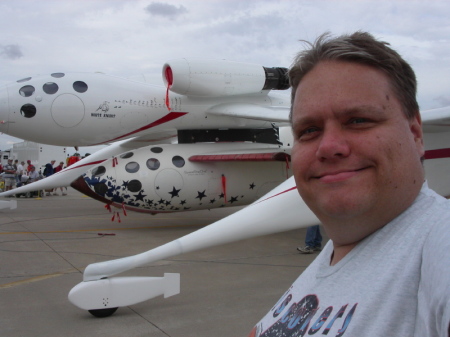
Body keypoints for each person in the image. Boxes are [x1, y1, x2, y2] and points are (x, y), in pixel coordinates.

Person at [248, 32, 450, 336]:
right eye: (309, 130)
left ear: (415, 133)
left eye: (358, 120)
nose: (329, 147)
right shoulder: (336, 254)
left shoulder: (438, 243)